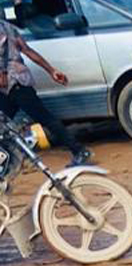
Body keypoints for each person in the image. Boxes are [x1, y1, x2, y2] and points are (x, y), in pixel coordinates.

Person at [0, 20, 92, 165]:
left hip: (13, 83)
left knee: (46, 119)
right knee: (5, 123)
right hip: (17, 82)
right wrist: (51, 70)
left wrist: (2, 73)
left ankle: (79, 150)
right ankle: (9, 161)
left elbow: (2, 51)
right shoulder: (7, 26)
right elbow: (27, 50)